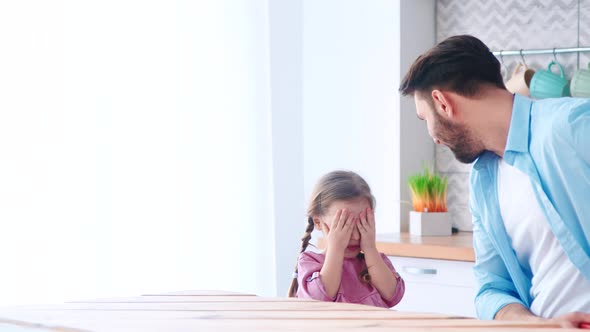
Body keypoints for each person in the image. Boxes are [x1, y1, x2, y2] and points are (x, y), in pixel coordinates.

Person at [399, 34, 590, 328]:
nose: (433, 137)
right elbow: (492, 289)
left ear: (442, 102)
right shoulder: (484, 182)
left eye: (425, 119)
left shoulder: (570, 126)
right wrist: (538, 325)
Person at [287, 170, 404, 308]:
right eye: (344, 226)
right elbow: (319, 299)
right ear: (318, 222)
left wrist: (370, 248)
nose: (355, 236)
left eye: (361, 225)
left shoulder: (375, 262)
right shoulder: (310, 262)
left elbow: (393, 295)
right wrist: (336, 248)